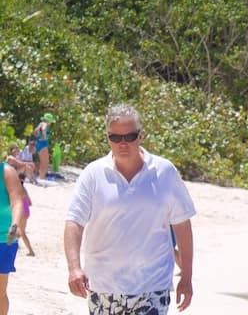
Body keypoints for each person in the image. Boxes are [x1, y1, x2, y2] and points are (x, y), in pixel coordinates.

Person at [64, 104, 197, 314]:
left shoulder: (164, 172)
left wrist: (187, 278)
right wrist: (74, 268)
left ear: (141, 136)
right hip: (103, 287)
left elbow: (182, 225)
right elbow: (74, 222)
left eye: (130, 136)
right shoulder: (93, 174)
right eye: (116, 138)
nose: (123, 143)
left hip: (152, 287)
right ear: (108, 138)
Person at [0, 162, 27, 313]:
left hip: (3, 239)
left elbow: (17, 202)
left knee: (0, 292)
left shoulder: (7, 172)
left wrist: (15, 224)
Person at [30, 114, 52, 183]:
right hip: (43, 143)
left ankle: (41, 177)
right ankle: (42, 178)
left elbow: (34, 132)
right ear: (48, 120)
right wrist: (44, 137)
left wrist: (38, 137)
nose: (50, 123)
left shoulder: (40, 123)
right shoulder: (44, 124)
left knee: (42, 161)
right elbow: (43, 129)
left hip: (38, 143)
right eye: (50, 121)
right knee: (45, 162)